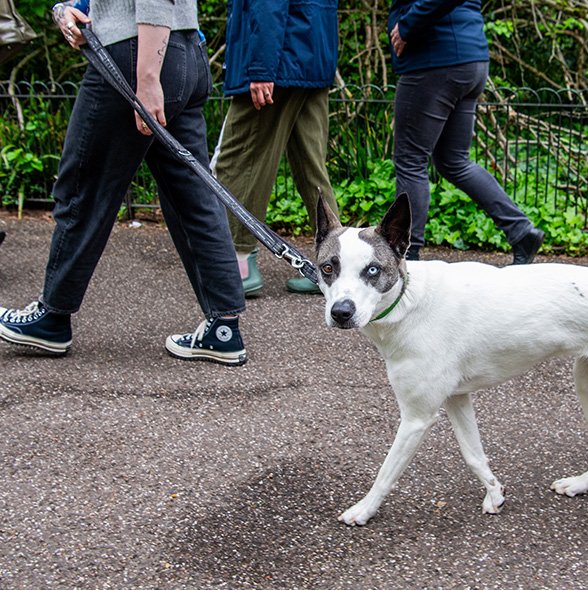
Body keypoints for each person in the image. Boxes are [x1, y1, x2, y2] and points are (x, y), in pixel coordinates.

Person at [0, 0, 249, 366]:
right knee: (193, 197)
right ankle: (224, 329)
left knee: (83, 188)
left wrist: (147, 79)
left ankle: (51, 319)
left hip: (135, 54)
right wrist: (68, 8)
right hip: (185, 50)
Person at [388, 0, 544, 263]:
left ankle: (407, 256)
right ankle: (521, 232)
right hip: (469, 60)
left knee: (410, 160)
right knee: (454, 160)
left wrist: (407, 25)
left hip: (434, 60)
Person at [210, 0, 339, 296]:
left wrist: (261, 68)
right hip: (311, 52)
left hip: (279, 59)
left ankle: (238, 264)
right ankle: (336, 265)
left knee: (240, 159)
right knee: (311, 167)